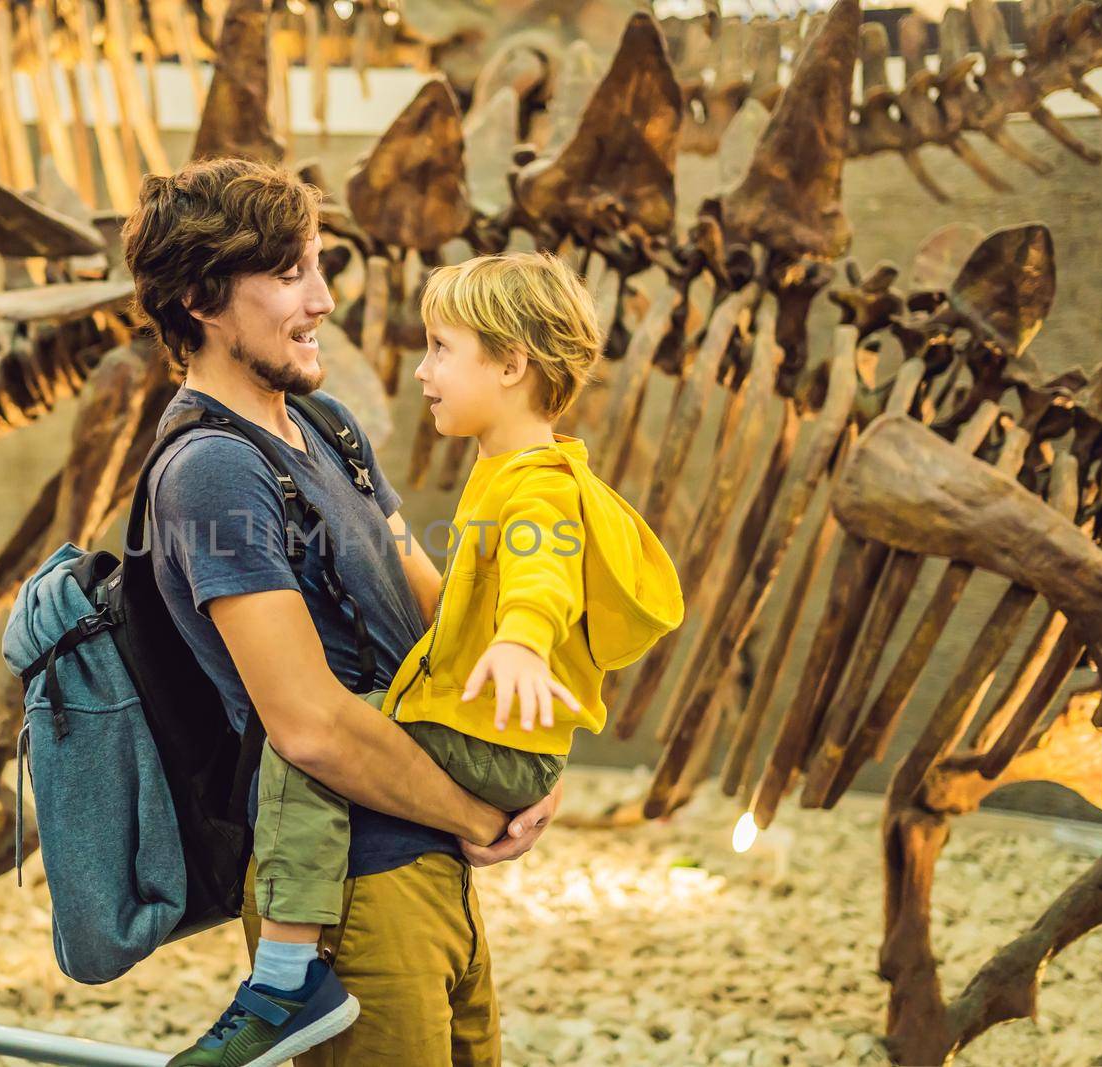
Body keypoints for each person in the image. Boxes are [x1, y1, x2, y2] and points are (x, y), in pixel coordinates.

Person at [187, 247, 687, 1063]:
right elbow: (451, 599)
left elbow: (541, 569)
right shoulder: (499, 470)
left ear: (512, 363)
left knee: (299, 751)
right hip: (466, 797)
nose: (421, 372)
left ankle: (283, 976)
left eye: (441, 350)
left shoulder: (537, 483)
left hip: (463, 781)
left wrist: (524, 643)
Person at [122, 158, 560, 1067]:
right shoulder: (213, 469)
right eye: (290, 274)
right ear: (202, 297)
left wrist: (524, 756)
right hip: (347, 902)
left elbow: (440, 617)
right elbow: (309, 724)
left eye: (319, 267)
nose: (324, 300)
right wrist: (478, 815)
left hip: (432, 876)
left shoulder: (327, 429)